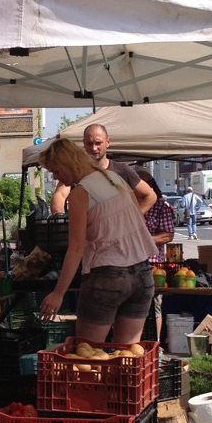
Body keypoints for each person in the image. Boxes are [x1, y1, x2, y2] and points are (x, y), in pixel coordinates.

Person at [37, 138, 157, 344]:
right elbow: (138, 215)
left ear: (69, 164)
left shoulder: (80, 193)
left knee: (87, 356)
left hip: (107, 277)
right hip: (142, 275)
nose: (56, 177)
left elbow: (75, 248)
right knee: (127, 356)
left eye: (56, 171)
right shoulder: (114, 178)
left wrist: (58, 294)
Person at [50, 123, 156, 217]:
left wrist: (131, 219)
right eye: (89, 144)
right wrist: (59, 217)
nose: (94, 148)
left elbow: (150, 195)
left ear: (108, 142)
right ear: (84, 144)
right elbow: (60, 195)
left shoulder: (122, 170)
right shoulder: (76, 172)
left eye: (98, 143)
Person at [136, 169, 175, 343]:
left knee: (155, 307)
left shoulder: (161, 207)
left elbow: (168, 235)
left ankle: (156, 342)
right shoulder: (127, 204)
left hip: (153, 265)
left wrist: (145, 240)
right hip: (127, 263)